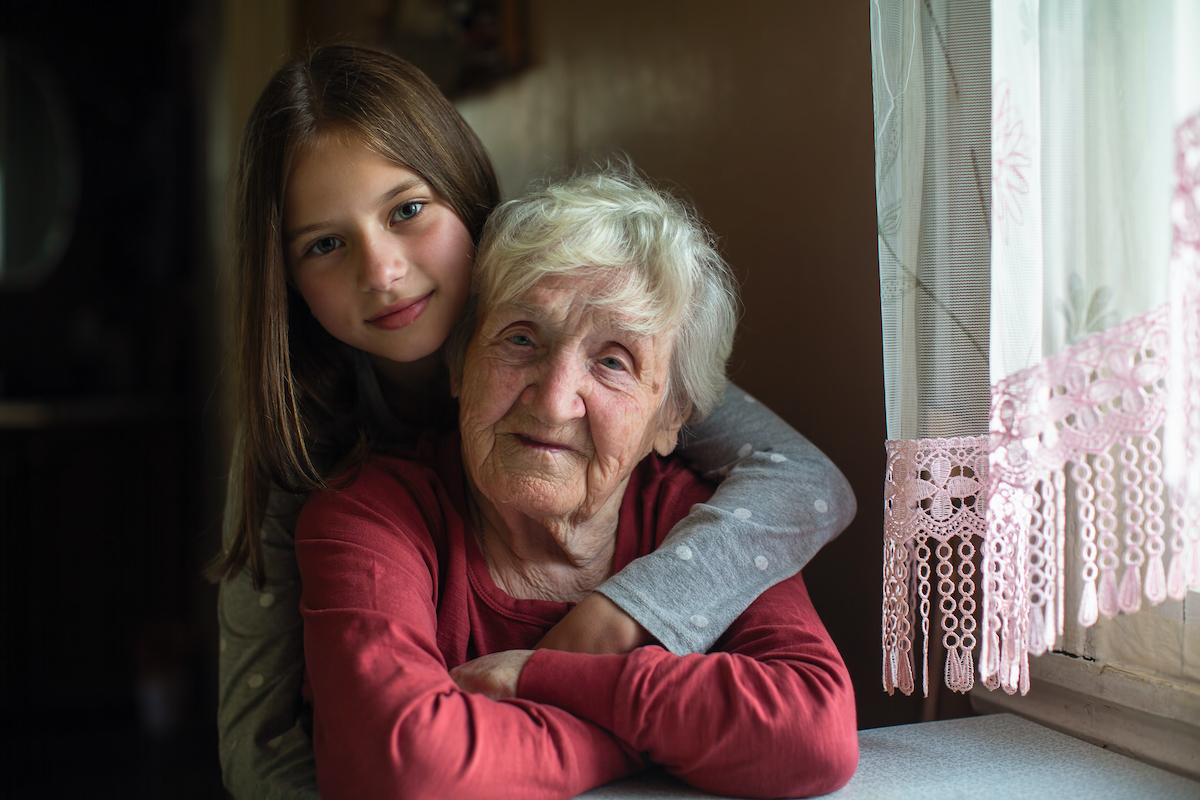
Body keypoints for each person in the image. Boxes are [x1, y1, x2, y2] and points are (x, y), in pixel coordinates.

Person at [212, 44, 857, 800]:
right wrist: (650, 731)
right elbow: (263, 741)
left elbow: (806, 482)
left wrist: (623, 617)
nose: (382, 271)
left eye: (408, 210)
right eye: (325, 243)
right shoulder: (314, 456)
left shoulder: (580, 305)